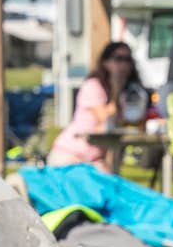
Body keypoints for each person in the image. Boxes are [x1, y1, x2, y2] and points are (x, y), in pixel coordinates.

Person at [48, 40, 149, 170]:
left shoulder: (130, 91)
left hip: (93, 159)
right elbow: (104, 119)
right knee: (103, 176)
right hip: (70, 154)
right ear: (105, 62)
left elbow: (131, 120)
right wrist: (116, 89)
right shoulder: (93, 85)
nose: (124, 64)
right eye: (119, 59)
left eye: (128, 59)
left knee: (108, 177)